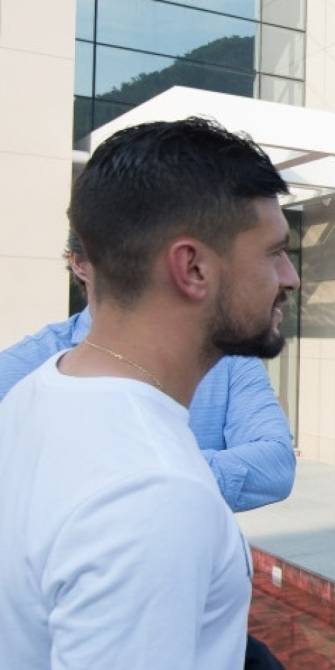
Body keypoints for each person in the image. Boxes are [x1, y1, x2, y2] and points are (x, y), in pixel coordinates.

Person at [0, 117, 300, 669]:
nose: (291, 277)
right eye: (275, 253)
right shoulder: (152, 495)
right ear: (193, 268)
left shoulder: (40, 391)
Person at [0, 231, 295, 513]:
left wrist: (131, 476)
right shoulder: (25, 367)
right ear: (79, 263)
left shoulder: (227, 354)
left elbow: (275, 465)